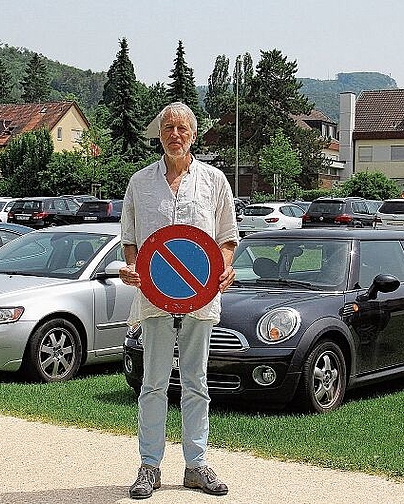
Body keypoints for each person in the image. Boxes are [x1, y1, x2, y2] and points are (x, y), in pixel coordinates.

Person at [120, 102, 239, 499]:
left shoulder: (215, 180)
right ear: (159, 133)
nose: (175, 134)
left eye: (182, 128)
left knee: (196, 381)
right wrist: (132, 267)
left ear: (193, 133)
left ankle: (196, 465)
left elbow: (226, 239)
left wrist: (225, 268)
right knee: (152, 383)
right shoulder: (139, 182)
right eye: (168, 127)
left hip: (201, 296)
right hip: (153, 295)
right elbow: (132, 240)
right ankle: (149, 467)